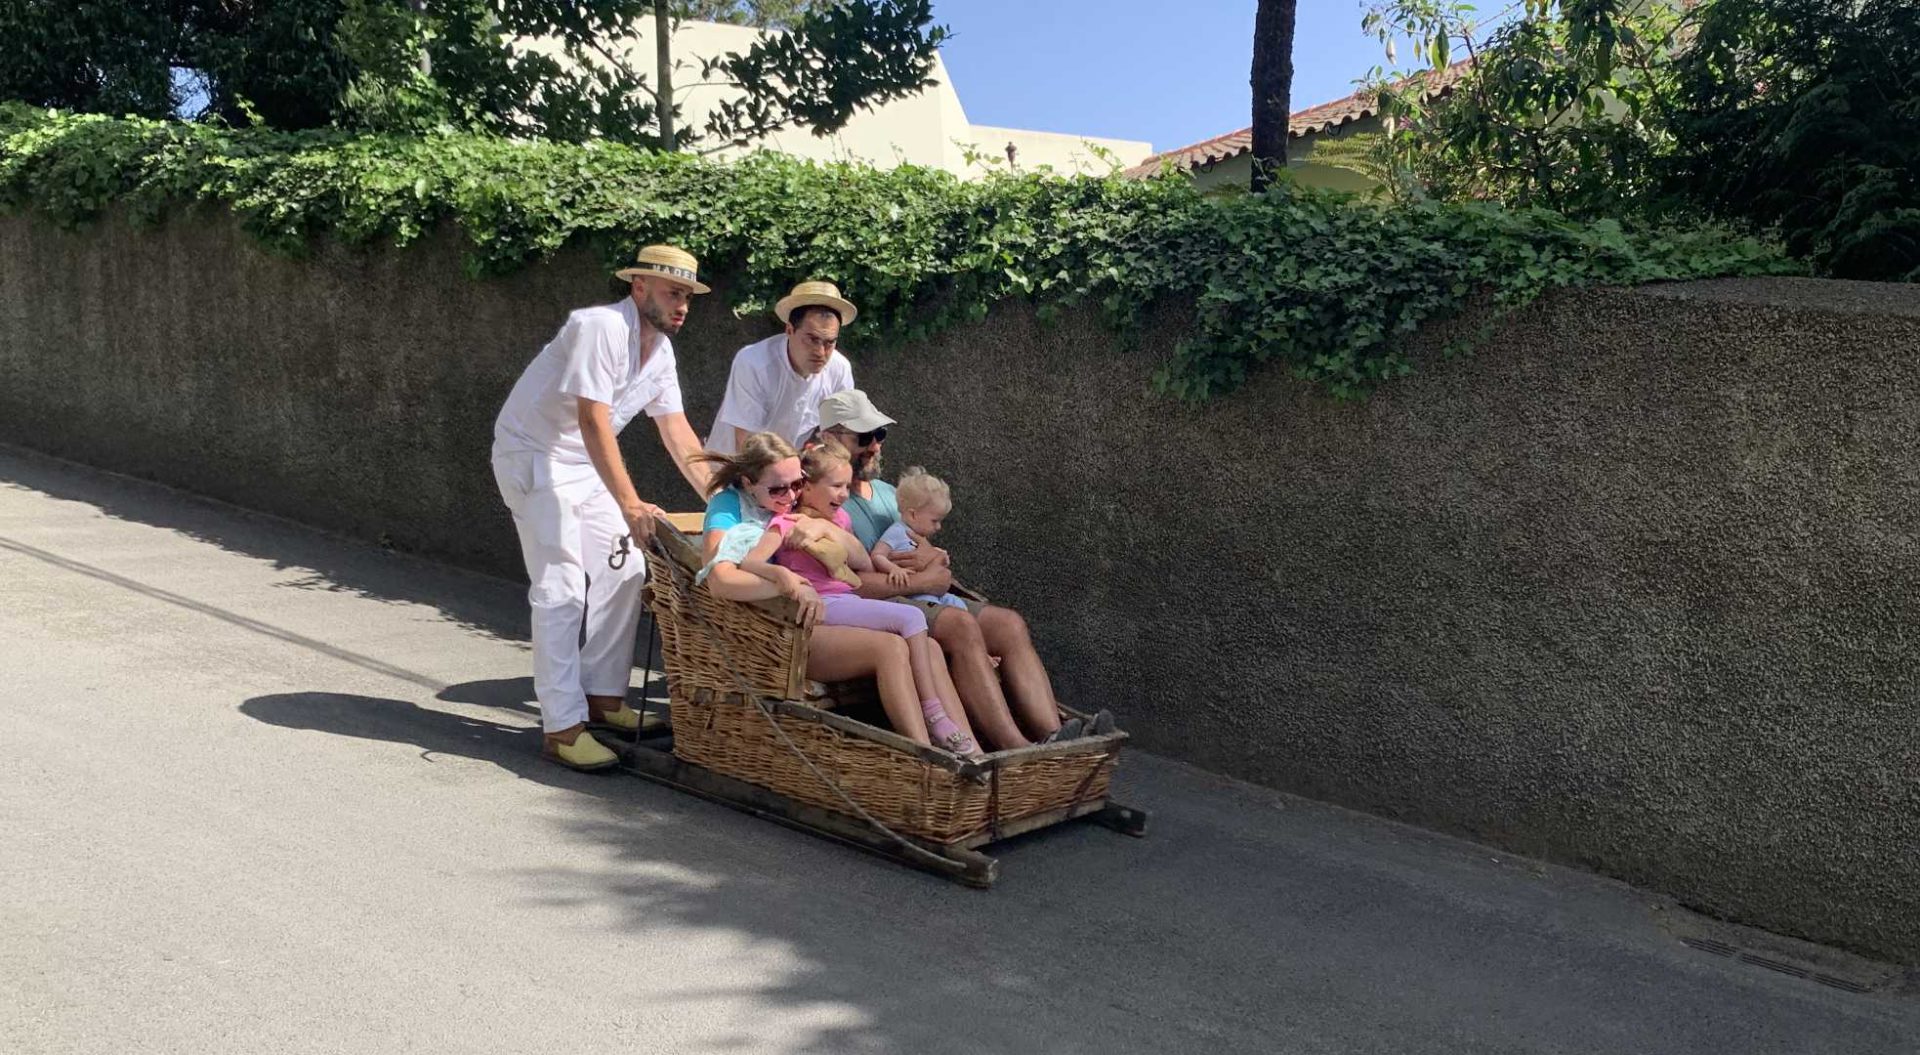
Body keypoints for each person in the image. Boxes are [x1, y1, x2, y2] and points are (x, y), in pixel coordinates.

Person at [491, 244, 714, 771]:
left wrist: (724, 502)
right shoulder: (598, 327)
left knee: (627, 569)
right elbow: (594, 420)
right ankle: (563, 727)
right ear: (639, 287)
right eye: (672, 292)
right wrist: (632, 503)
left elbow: (677, 432)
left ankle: (603, 697)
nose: (681, 305)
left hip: (584, 467)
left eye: (687, 296)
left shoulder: (660, 351)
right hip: (536, 457)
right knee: (562, 589)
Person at [815, 391, 1105, 747]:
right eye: (863, 437)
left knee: (1008, 624)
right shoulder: (827, 500)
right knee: (961, 626)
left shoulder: (893, 494)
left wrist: (936, 565)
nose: (875, 445)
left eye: (880, 435)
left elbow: (926, 550)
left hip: (926, 593)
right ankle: (1017, 747)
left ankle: (1053, 735)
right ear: (828, 437)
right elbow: (843, 585)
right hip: (886, 603)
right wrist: (925, 578)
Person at [694, 433, 983, 754]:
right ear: (749, 483)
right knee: (889, 647)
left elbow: (856, 558)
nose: (791, 494)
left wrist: (823, 529)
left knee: (926, 646)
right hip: (776, 628)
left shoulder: (802, 507)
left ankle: (968, 749)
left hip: (821, 609)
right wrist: (789, 585)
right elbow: (720, 580)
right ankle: (924, 755)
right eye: (779, 488)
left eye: (797, 483)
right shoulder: (730, 506)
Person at [703, 280, 857, 456]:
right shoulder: (753, 362)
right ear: (789, 330)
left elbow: (840, 438)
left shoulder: (840, 369)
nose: (821, 352)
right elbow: (746, 445)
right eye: (812, 339)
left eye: (830, 342)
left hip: (789, 472)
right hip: (731, 467)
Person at [870, 467, 967, 612]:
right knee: (944, 612)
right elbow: (877, 555)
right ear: (913, 515)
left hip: (930, 590)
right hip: (913, 595)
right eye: (934, 521)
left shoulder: (919, 535)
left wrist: (938, 556)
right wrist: (893, 569)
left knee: (959, 605)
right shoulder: (897, 532)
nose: (939, 527)